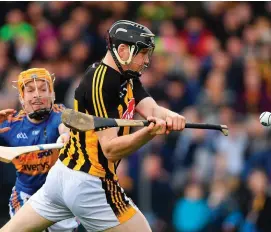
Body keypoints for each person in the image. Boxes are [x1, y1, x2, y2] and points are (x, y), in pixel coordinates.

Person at [1, 20, 186, 232]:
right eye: (142, 54)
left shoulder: (126, 76)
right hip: (90, 182)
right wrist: (148, 134)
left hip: (62, 176)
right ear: (123, 50)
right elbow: (110, 148)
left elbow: (151, 109)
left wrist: (172, 117)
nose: (146, 60)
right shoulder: (101, 83)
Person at [0, 68, 79, 232]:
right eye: (30, 90)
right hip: (25, 196)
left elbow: (65, 127)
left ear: (52, 94)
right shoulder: (11, 123)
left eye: (43, 89)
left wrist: (66, 135)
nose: (37, 94)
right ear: (22, 97)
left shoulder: (60, 113)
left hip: (59, 198)